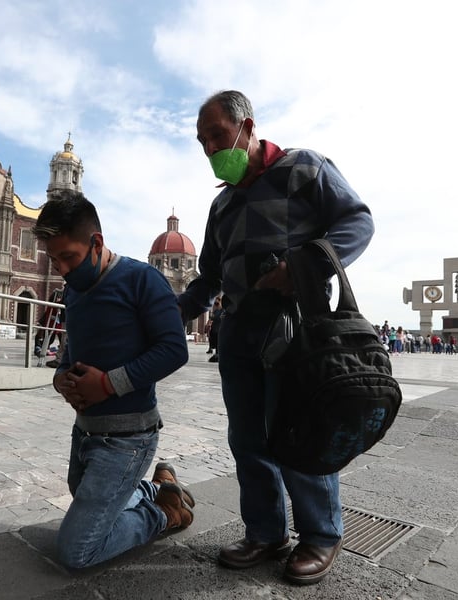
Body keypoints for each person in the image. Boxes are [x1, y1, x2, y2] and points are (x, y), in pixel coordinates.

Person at [178, 90, 374, 586]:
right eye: (202, 142)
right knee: (247, 439)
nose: (210, 149)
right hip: (241, 332)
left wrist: (303, 265)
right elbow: (207, 279)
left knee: (301, 430)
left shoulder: (304, 167)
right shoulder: (222, 204)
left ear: (247, 126)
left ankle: (321, 535)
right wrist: (167, 316)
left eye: (217, 136)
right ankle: (265, 532)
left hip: (297, 327)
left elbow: (358, 221)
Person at [32, 190, 191, 569]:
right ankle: (156, 488)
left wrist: (107, 384)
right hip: (85, 432)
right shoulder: (75, 291)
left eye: (68, 257)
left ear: (96, 242)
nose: (63, 270)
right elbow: (72, 352)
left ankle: (165, 513)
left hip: (128, 438)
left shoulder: (142, 279)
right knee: (83, 494)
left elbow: (174, 349)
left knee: (77, 551)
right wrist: (61, 378)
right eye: (53, 260)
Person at [207, 297, 224, 362]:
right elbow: (211, 319)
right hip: (214, 329)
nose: (216, 304)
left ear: (220, 302)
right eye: (215, 303)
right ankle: (216, 353)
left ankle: (218, 354)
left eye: (217, 303)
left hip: (219, 329)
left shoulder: (223, 310)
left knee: (218, 342)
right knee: (214, 341)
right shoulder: (215, 311)